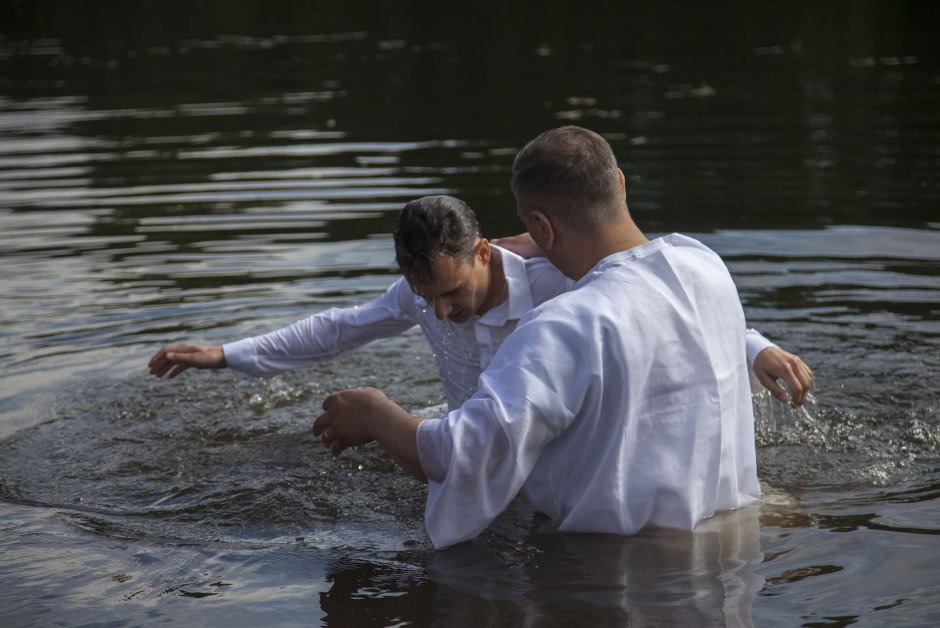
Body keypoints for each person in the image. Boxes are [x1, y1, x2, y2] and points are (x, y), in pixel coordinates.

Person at [313, 126, 814, 548]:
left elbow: (462, 456)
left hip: (617, 577)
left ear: (541, 227)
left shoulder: (560, 326)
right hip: (733, 553)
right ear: (619, 183)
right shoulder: (703, 263)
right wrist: (756, 345)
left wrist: (375, 412)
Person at [148, 196, 810, 410]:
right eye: (423, 297)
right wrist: (223, 355)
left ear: (485, 254)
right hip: (473, 440)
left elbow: (670, 310)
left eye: (451, 292)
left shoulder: (559, 282)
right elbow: (338, 330)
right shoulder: (419, 298)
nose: (438, 312)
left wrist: (755, 348)